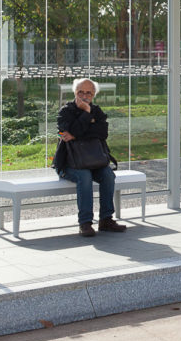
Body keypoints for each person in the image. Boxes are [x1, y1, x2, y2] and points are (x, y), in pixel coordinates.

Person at [53, 78, 127, 237]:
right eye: (81, 92)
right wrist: (87, 115)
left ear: (93, 95)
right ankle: (85, 223)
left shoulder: (98, 111)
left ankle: (106, 220)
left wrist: (77, 133)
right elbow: (64, 132)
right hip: (69, 163)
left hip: (95, 161)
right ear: (74, 92)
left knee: (108, 175)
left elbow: (102, 133)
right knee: (84, 176)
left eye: (89, 93)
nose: (84, 95)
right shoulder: (65, 111)